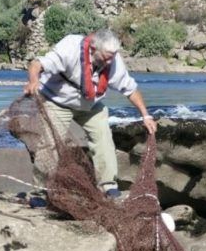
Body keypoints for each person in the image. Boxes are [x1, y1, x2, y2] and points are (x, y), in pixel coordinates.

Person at [22, 28, 156, 198]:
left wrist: (146, 115)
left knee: (103, 137)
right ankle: (39, 192)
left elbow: (130, 89)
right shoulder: (70, 47)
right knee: (51, 144)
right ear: (93, 49)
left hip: (89, 105)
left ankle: (109, 185)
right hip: (57, 101)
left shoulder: (113, 60)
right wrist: (33, 81)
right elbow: (37, 63)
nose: (110, 61)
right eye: (107, 56)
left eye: (113, 56)